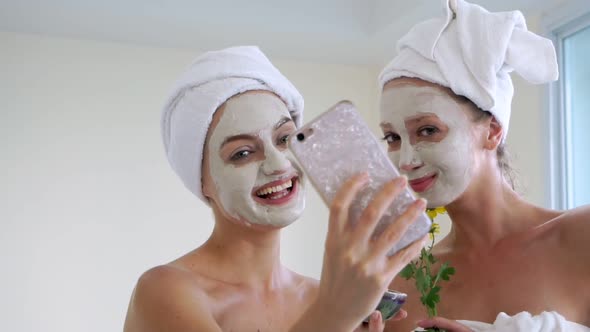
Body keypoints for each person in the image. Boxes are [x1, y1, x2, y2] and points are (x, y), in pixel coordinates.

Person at [123, 46, 427, 332]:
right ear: (202, 182)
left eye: (284, 139)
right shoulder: (165, 290)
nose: (278, 163)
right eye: (242, 153)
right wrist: (336, 312)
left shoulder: (321, 295)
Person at [376, 0, 590, 331]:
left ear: (491, 131)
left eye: (428, 130)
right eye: (392, 138)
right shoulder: (403, 281)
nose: (406, 160)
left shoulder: (582, 237)